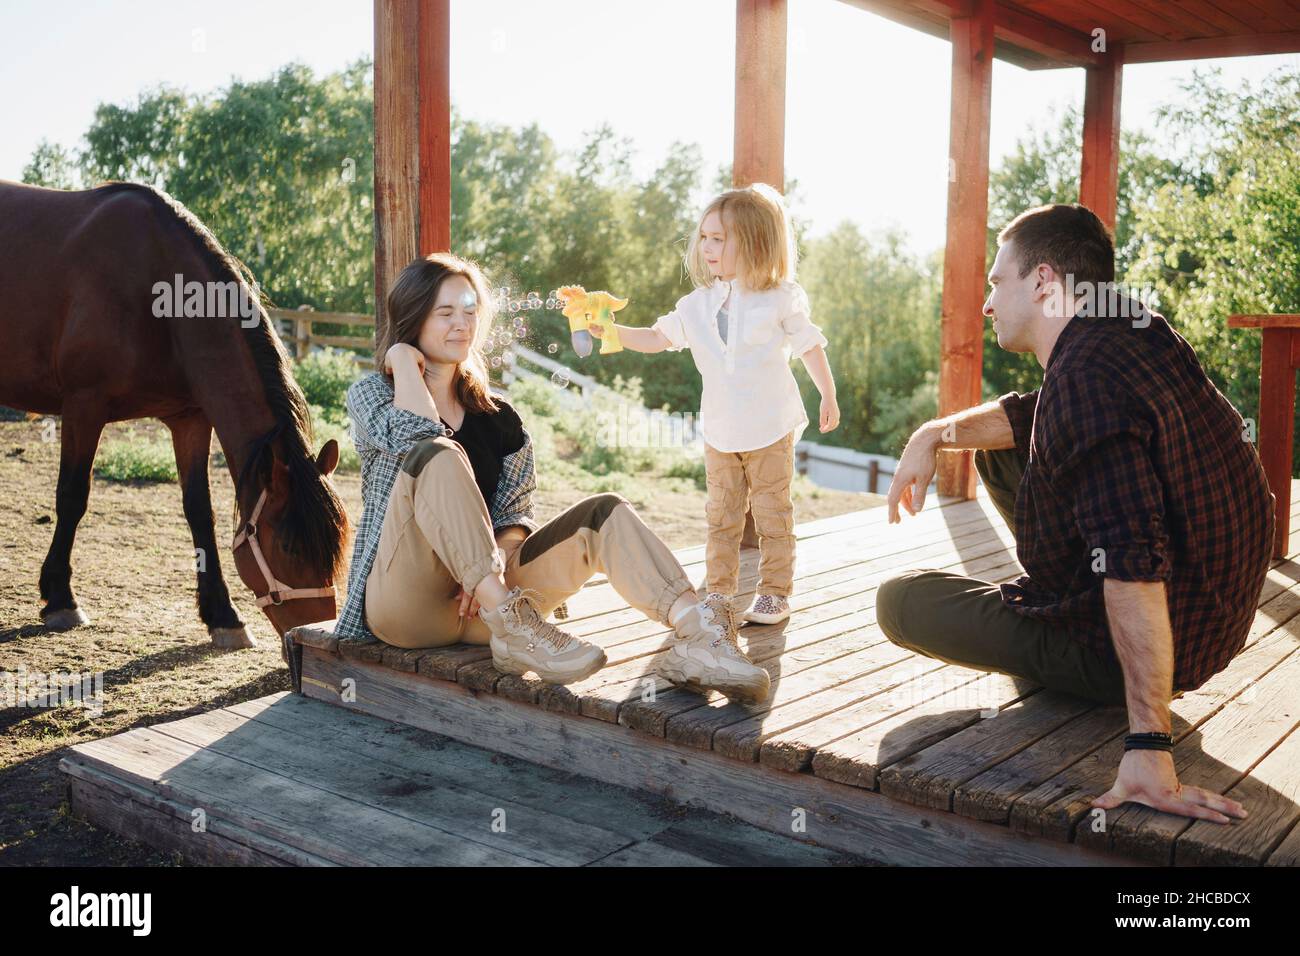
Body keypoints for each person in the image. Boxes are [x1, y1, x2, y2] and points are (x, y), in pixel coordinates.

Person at [881, 203, 1272, 825]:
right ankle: (1060, 604)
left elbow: (1132, 562)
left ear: (1042, 282)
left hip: (1156, 640)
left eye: (996, 282)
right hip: (1211, 609)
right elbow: (1034, 414)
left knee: (901, 601)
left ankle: (1074, 640)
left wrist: (1148, 745)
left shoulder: (1085, 382)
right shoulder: (1132, 326)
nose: (987, 304)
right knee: (998, 452)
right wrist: (934, 432)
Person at [334, 252, 771, 702]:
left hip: (485, 609)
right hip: (407, 606)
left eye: (469, 311)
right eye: (445, 313)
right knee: (438, 451)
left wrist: (497, 563)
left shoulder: (498, 415)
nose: (462, 324)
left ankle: (699, 638)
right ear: (412, 317)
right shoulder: (372, 395)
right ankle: (512, 620)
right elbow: (418, 436)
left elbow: (515, 510)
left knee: (605, 512)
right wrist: (404, 362)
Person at [589, 182, 839, 641]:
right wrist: (608, 327)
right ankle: (720, 594)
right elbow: (655, 338)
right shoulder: (695, 306)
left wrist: (828, 393)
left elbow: (809, 346)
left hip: (770, 427)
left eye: (718, 238)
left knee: (772, 514)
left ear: (755, 241)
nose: (707, 246)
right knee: (720, 516)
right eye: (703, 237)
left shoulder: (781, 297)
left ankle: (775, 592)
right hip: (721, 431)